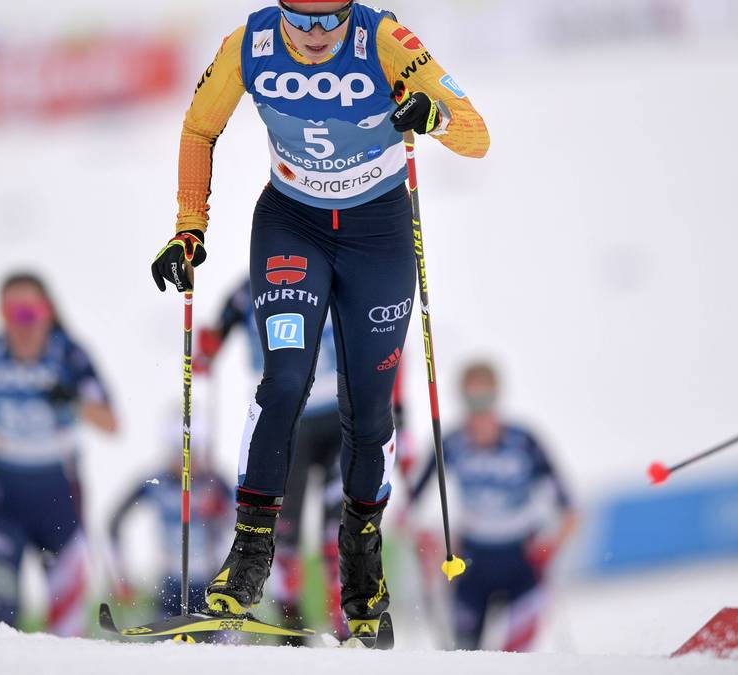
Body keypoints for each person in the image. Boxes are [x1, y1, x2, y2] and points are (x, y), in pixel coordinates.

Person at [149, 0, 489, 637]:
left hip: (377, 234)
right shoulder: (248, 44)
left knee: (369, 412)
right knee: (284, 381)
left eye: (327, 22)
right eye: (298, 22)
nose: (312, 37)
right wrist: (188, 230)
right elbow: (199, 128)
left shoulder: (385, 39)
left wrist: (434, 115)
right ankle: (249, 559)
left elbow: (477, 133)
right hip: (292, 223)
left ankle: (364, 570)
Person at [0, 272, 119, 636]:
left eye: (31, 312)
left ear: (47, 312)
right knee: (1, 625)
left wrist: (73, 401)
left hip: (60, 496)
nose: (23, 324)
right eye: (13, 313)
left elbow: (111, 423)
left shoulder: (69, 354)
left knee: (68, 629)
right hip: (2, 499)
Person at [196, 277, 347, 637]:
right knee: (284, 528)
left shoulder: (328, 273)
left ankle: (343, 621)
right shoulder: (245, 291)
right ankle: (290, 616)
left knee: (335, 528)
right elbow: (214, 340)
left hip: (339, 415)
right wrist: (206, 349)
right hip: (289, 417)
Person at [409, 362, 575, 652]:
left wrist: (550, 546)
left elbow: (570, 509)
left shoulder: (524, 441)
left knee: (518, 660)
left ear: (498, 397)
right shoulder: (450, 442)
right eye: (471, 400)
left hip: (522, 563)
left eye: (486, 399)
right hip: (472, 562)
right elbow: (408, 508)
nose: (479, 410)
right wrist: (429, 544)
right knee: (464, 656)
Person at [107, 410, 231, 618]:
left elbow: (247, 527)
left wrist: (222, 512)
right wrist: (122, 578)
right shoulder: (155, 482)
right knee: (165, 647)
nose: (187, 461)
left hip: (214, 586)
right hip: (170, 587)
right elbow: (114, 523)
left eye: (194, 452)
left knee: (228, 645)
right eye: (179, 453)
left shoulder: (216, 482)